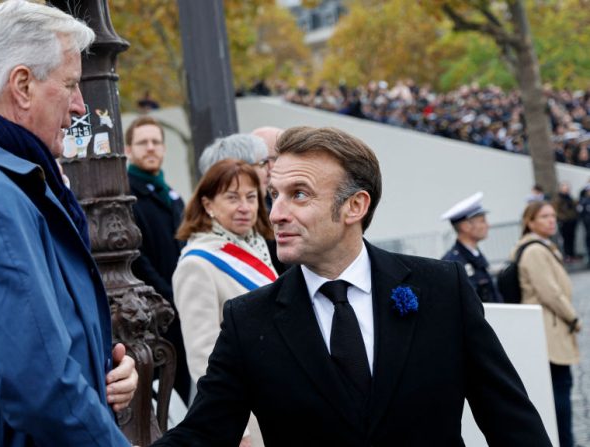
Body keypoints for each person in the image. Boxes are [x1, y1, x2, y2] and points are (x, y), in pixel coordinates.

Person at [152, 126, 549, 446]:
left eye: (299, 195)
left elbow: (510, 419)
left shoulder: (440, 289)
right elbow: (203, 433)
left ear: (354, 206)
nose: (275, 214)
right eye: (274, 195)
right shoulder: (248, 319)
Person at [0, 1, 135, 446]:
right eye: (71, 85)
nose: (81, 106)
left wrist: (104, 371)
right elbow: (43, 389)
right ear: (22, 85)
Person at [173, 159, 277, 447]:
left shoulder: (258, 247)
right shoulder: (197, 263)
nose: (244, 207)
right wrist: (237, 430)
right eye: (232, 197)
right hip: (245, 415)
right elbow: (203, 355)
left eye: (251, 197)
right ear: (208, 205)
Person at [124, 115, 191, 404]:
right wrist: (172, 294)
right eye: (143, 143)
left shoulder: (172, 196)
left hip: (183, 310)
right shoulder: (125, 196)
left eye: (156, 142)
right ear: (128, 149)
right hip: (157, 317)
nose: (150, 148)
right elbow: (138, 259)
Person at [514, 201, 581, 447]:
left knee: (560, 390)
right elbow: (550, 292)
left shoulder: (542, 247)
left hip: (550, 328)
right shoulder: (534, 251)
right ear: (530, 222)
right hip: (549, 330)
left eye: (553, 216)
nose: (551, 220)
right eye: (544, 216)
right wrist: (573, 317)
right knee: (559, 393)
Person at [198, 133, 287, 275]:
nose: (269, 170)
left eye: (250, 198)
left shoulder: (257, 234)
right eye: (263, 163)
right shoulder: (203, 256)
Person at [440, 192, 502, 302]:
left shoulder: (475, 255)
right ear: (465, 226)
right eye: (482, 221)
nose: (487, 225)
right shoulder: (452, 262)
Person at [553, 182, 579, 262]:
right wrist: (563, 219)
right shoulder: (558, 199)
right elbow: (556, 211)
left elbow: (574, 208)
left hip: (572, 222)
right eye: (565, 188)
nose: (567, 190)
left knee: (572, 238)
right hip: (564, 223)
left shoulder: (570, 198)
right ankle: (567, 255)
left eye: (568, 188)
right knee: (565, 239)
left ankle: (572, 255)